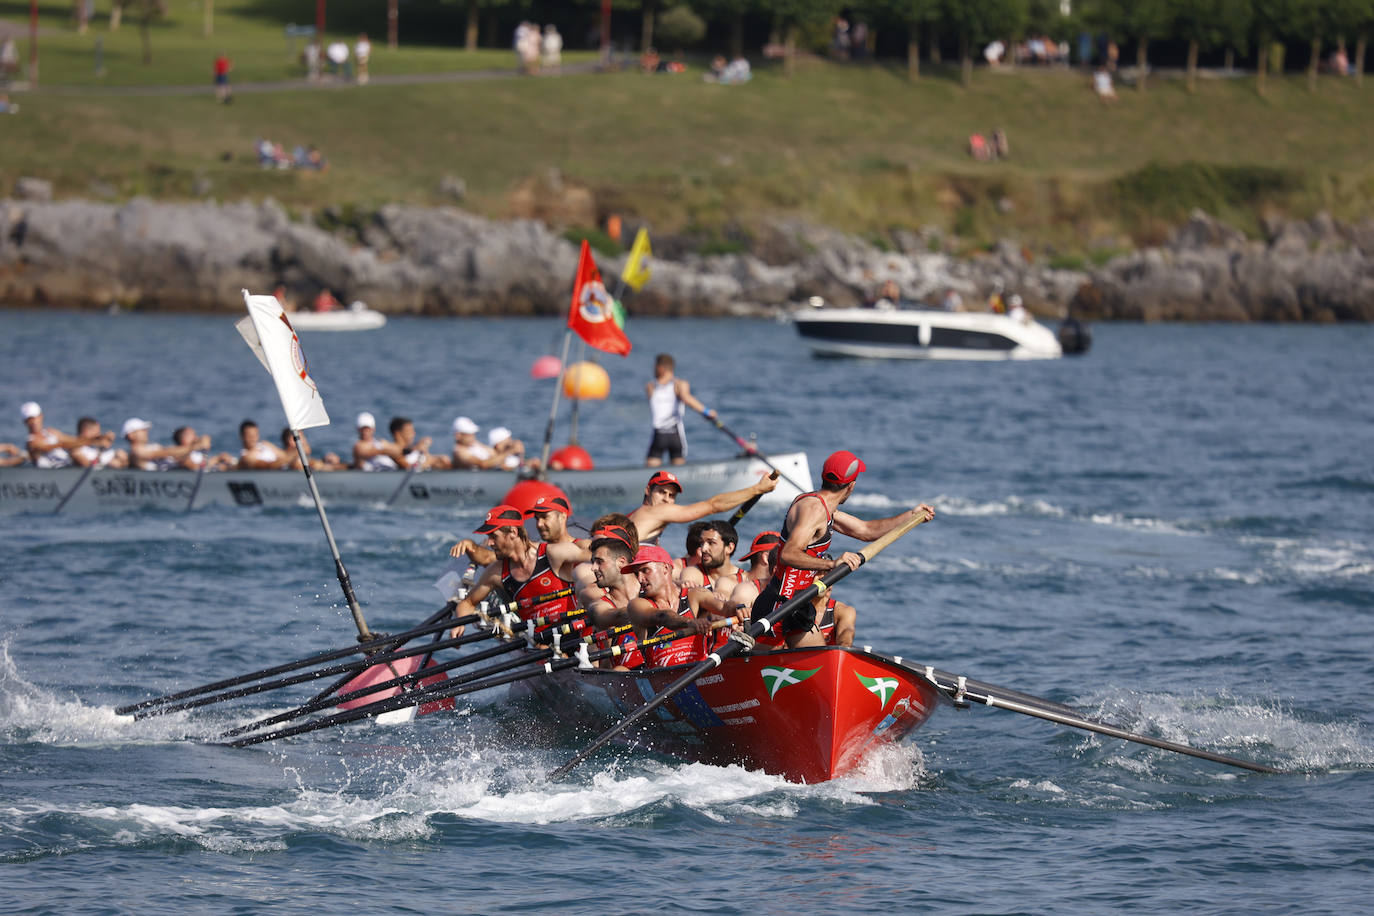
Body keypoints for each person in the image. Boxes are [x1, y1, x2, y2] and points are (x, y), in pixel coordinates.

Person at [752, 450, 934, 649]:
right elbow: (788, 554)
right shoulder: (813, 510)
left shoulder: (826, 510)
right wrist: (832, 563)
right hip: (777, 606)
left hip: (799, 604)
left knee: (821, 664)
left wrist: (910, 515)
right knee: (761, 677)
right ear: (851, 486)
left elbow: (866, 531)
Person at [449, 504, 589, 637]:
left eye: (494, 536)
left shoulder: (552, 554)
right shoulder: (496, 573)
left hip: (575, 633)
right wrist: (458, 624)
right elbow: (467, 603)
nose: (489, 543)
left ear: (513, 532)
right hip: (541, 645)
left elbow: (594, 553)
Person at [617, 545, 725, 669]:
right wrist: (690, 622)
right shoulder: (637, 605)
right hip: (661, 680)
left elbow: (724, 607)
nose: (640, 579)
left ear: (665, 568)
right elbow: (663, 617)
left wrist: (741, 610)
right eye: (637, 574)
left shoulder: (694, 594)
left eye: (645, 570)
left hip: (699, 672)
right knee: (619, 670)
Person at [628, 468, 777, 546]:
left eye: (672, 495)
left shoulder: (633, 516)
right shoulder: (656, 512)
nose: (666, 499)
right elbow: (713, 506)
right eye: (662, 492)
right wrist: (757, 489)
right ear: (647, 491)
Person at [645, 353, 714, 467]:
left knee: (652, 473)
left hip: (664, 435)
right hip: (670, 434)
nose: (653, 369)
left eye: (655, 366)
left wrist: (706, 412)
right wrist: (707, 412)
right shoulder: (679, 385)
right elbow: (687, 399)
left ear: (661, 368)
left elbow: (686, 399)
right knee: (676, 469)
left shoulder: (651, 387)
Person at [22, 401, 97, 469]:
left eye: (35, 418)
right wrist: (89, 442)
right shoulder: (31, 442)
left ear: (41, 416)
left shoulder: (51, 432)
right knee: (75, 453)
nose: (33, 422)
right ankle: (95, 472)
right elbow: (51, 446)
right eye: (29, 419)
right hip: (50, 470)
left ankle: (97, 466)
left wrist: (95, 440)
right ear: (25, 422)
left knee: (78, 451)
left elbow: (73, 440)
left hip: (66, 465)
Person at [124, 418, 207, 471]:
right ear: (131, 435)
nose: (146, 431)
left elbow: (170, 452)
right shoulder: (136, 450)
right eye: (142, 430)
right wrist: (194, 447)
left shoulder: (151, 447)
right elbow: (165, 452)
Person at [280, 427, 344, 471]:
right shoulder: (281, 457)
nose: (305, 440)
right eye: (302, 437)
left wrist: (324, 460)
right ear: (291, 440)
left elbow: (311, 463)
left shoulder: (296, 458)